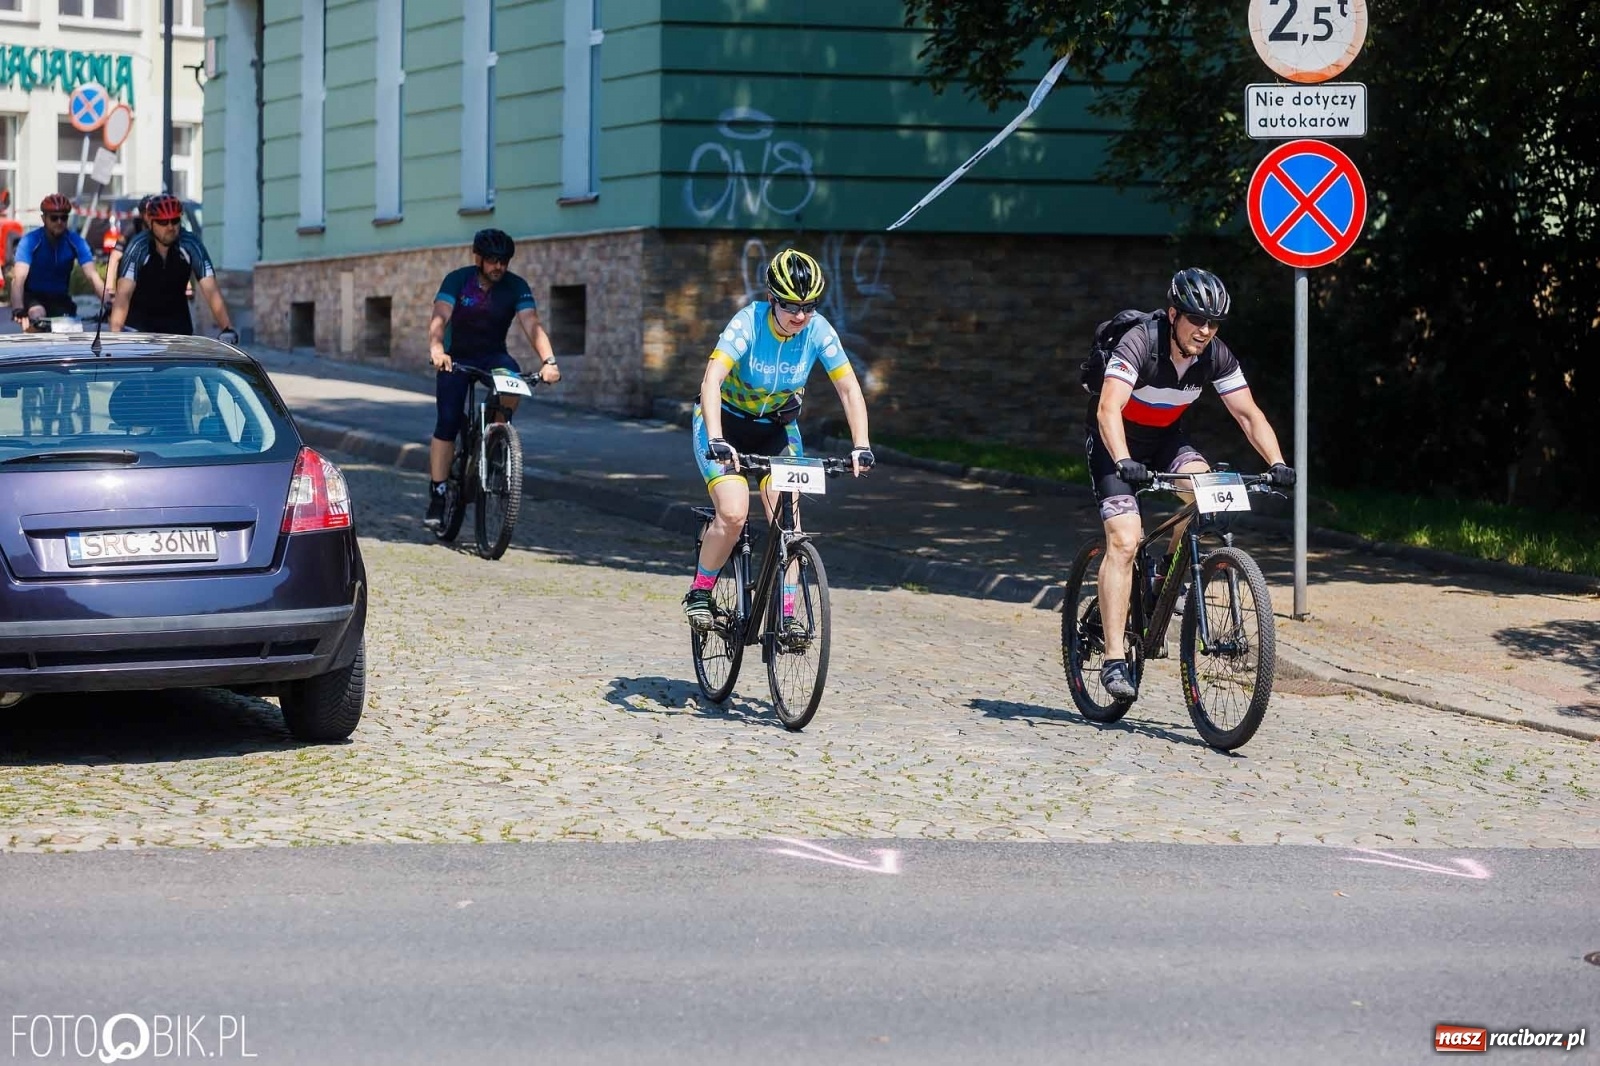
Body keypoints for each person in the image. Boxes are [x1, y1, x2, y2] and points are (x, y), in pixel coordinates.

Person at [1088, 267, 1296, 700]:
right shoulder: (1141, 343)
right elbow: (1108, 409)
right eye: (1196, 320)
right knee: (1125, 541)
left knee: (1208, 497)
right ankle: (1112, 660)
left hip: (1167, 441)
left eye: (1213, 323)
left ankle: (1167, 577)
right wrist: (1124, 459)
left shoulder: (1216, 355)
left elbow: (1247, 413)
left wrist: (1276, 462)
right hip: (1116, 444)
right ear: (1173, 314)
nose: (1205, 330)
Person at [682, 248, 874, 635]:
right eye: (790, 306)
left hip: (776, 430)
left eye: (808, 306)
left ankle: (785, 612)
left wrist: (861, 444)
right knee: (734, 513)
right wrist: (717, 438)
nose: (800, 316)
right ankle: (701, 591)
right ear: (772, 299)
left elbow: (849, 388)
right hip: (725, 424)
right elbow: (712, 380)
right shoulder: (749, 322)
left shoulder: (818, 330)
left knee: (790, 526)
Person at [424, 228, 561, 527]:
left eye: (504, 261)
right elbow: (440, 316)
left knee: (516, 382)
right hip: (455, 357)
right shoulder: (458, 280)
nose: (498, 266)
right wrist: (437, 349)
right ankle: (438, 492)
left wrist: (548, 361)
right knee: (447, 422)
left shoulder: (515, 286)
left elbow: (531, 323)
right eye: (492, 260)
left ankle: (496, 437)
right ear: (478, 259)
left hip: (492, 356)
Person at [106, 194, 237, 342]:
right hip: (140, 327)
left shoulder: (191, 244)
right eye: (163, 222)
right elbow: (124, 293)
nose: (170, 227)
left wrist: (227, 329)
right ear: (151, 222)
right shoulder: (138, 246)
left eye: (175, 221)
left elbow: (210, 289)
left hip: (177, 327)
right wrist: (115, 336)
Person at [9, 194, 106, 327]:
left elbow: (92, 276)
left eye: (64, 217)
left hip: (60, 298)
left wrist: (108, 303)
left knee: (69, 328)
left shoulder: (75, 241)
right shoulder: (30, 241)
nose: (59, 222)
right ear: (43, 219)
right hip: (33, 297)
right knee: (38, 314)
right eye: (54, 218)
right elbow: (18, 279)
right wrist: (18, 309)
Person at [104, 195, 154, 293]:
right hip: (131, 284)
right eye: (148, 213)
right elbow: (114, 258)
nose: (152, 217)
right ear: (141, 214)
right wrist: (109, 289)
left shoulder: (163, 231)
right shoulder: (130, 230)